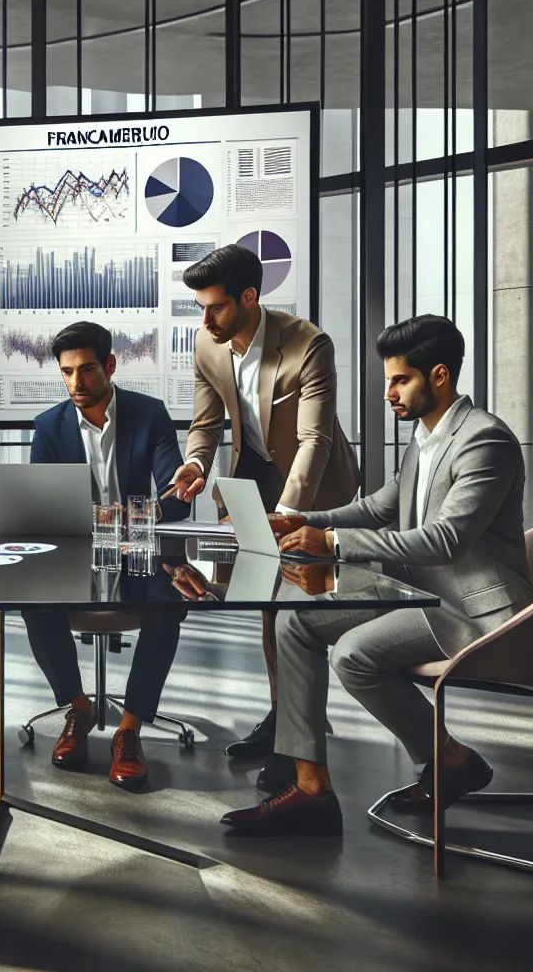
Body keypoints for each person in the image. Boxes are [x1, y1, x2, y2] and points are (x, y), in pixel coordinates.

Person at [219, 315, 533, 836]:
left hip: (471, 611)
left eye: (398, 379)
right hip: (420, 596)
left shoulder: (485, 442)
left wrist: (333, 544)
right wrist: (302, 520)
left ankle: (449, 759)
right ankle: (310, 787)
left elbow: (445, 540)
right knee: (293, 622)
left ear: (438, 376)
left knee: (353, 653)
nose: (388, 391)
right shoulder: (425, 438)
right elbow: (380, 507)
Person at [166, 243, 357, 767]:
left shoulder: (307, 344)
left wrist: (289, 515)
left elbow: (315, 440)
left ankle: (298, 737)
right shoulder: (209, 344)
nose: (205, 320)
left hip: (314, 489)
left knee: (296, 611)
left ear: (249, 297)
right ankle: (286, 720)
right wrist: (198, 465)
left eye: (216, 307)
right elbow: (205, 424)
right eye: (200, 308)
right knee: (268, 609)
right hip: (255, 480)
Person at [23, 322, 189, 789]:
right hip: (76, 553)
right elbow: (42, 505)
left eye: (87, 369)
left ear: (110, 366)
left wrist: (141, 512)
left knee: (168, 602)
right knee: (32, 601)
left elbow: (177, 496)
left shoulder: (149, 414)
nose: (77, 382)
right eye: (67, 372)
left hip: (139, 547)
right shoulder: (48, 427)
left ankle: (129, 729)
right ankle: (78, 708)